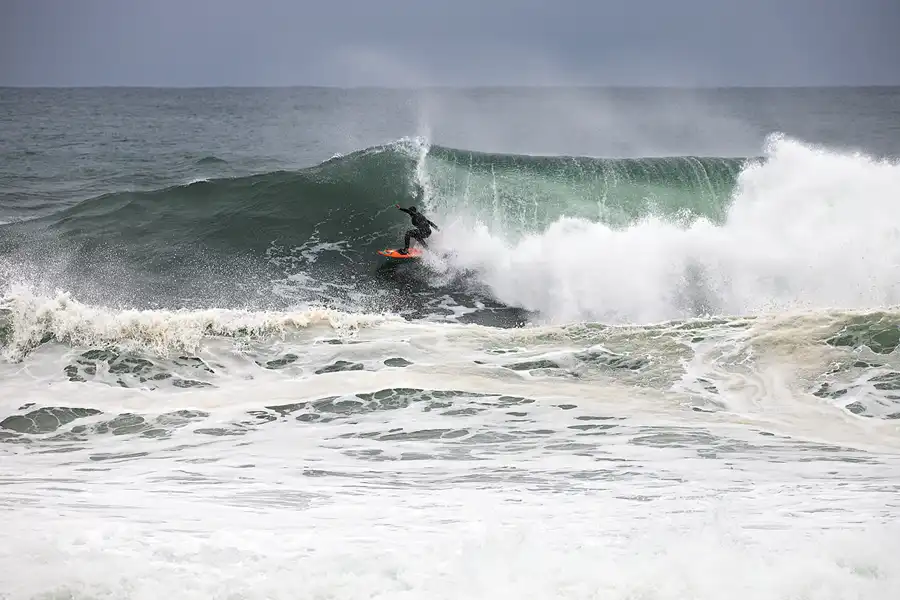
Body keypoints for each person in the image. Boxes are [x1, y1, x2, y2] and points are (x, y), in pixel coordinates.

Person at [395, 185, 438, 254]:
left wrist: (400, 208)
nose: (410, 214)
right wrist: (437, 228)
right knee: (416, 236)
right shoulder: (420, 215)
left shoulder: (414, 214)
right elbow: (430, 222)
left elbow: (409, 212)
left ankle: (406, 250)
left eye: (410, 212)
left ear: (412, 212)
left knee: (408, 233)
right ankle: (427, 250)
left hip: (424, 231)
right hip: (428, 232)